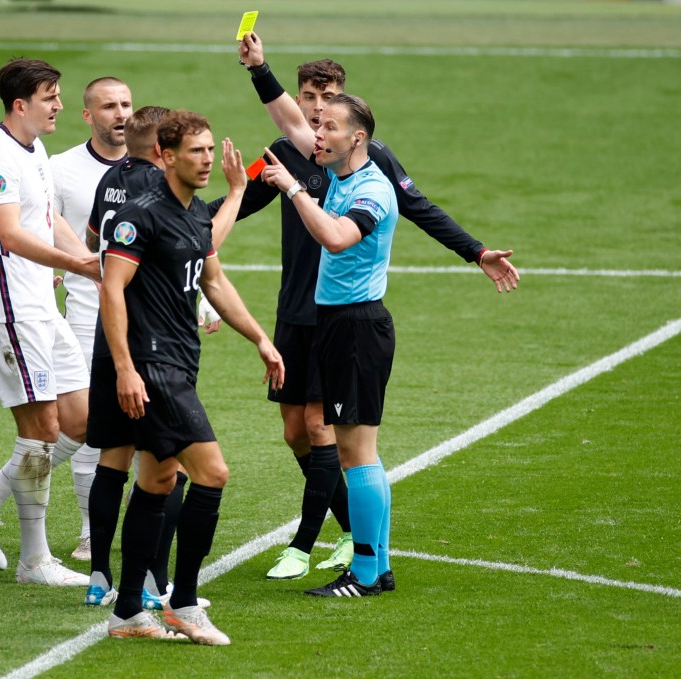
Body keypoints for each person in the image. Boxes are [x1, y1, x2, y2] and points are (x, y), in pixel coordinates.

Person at [213, 50, 519, 584]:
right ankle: (366, 558)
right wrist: (259, 72)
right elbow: (285, 127)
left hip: (354, 324)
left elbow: (355, 227)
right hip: (317, 317)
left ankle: (353, 558)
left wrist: (475, 251)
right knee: (316, 437)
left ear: (354, 132)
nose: (315, 123)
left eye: (328, 114)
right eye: (311, 110)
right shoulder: (323, 166)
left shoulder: (369, 176)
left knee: (351, 448)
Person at [90, 110, 284, 643]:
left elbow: (215, 283)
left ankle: (128, 610)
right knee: (212, 473)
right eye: (195, 151)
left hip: (179, 362)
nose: (206, 160)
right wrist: (126, 369)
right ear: (164, 156)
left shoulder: (197, 215)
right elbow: (111, 288)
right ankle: (184, 603)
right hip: (151, 368)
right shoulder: (139, 215)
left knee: (156, 479)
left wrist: (261, 339)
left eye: (208, 150)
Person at [0, 58, 100, 587]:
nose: (59, 105)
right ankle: (34, 561)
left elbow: (45, 219)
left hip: (42, 305)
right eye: (50, 96)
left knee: (80, 422)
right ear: (21, 104)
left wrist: (88, 259)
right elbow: (11, 235)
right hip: (11, 309)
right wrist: (79, 265)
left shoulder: (33, 149)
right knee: (39, 433)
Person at [50, 77, 132, 561]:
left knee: (144, 431)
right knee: (93, 428)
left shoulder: (155, 164)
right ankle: (89, 532)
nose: (119, 113)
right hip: (85, 314)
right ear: (88, 115)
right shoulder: (60, 169)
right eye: (108, 106)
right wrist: (51, 275)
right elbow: (45, 231)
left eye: (125, 104)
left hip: (149, 318)